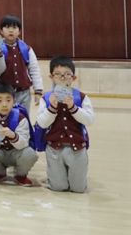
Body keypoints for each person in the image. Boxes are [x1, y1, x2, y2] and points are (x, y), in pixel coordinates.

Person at [35, 57, 94, 193]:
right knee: (58, 187)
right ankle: (55, 176)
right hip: (54, 147)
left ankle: (72, 174)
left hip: (77, 147)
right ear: (51, 77)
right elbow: (42, 123)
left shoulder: (81, 97)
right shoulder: (46, 98)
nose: (62, 78)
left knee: (78, 189)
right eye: (58, 74)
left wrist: (73, 108)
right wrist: (52, 108)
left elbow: (89, 120)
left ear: (73, 78)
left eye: (67, 74)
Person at [0, 83, 38, 186]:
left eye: (8, 100)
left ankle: (20, 175)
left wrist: (13, 136)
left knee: (30, 154)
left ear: (14, 102)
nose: (4, 104)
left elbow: (24, 143)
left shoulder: (21, 118)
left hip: (16, 153)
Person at [0, 15, 44, 111]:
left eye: (14, 27)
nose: (11, 30)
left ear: (19, 31)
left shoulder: (26, 49)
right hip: (4, 94)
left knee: (23, 117)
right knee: (5, 117)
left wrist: (38, 90)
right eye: (7, 27)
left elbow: (34, 69)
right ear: (1, 31)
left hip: (24, 92)